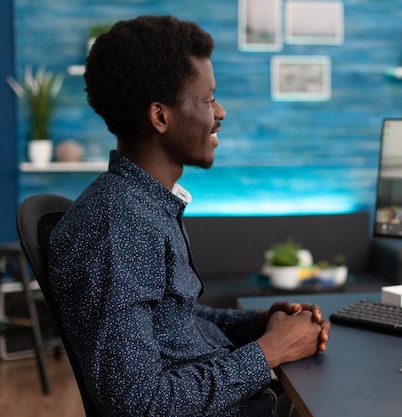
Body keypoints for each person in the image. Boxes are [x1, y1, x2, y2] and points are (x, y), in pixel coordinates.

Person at [48, 16, 330, 417]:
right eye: (207, 99)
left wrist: (261, 323)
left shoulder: (145, 205)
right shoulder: (116, 225)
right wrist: (269, 351)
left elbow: (174, 323)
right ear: (160, 117)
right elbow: (139, 404)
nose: (221, 112)